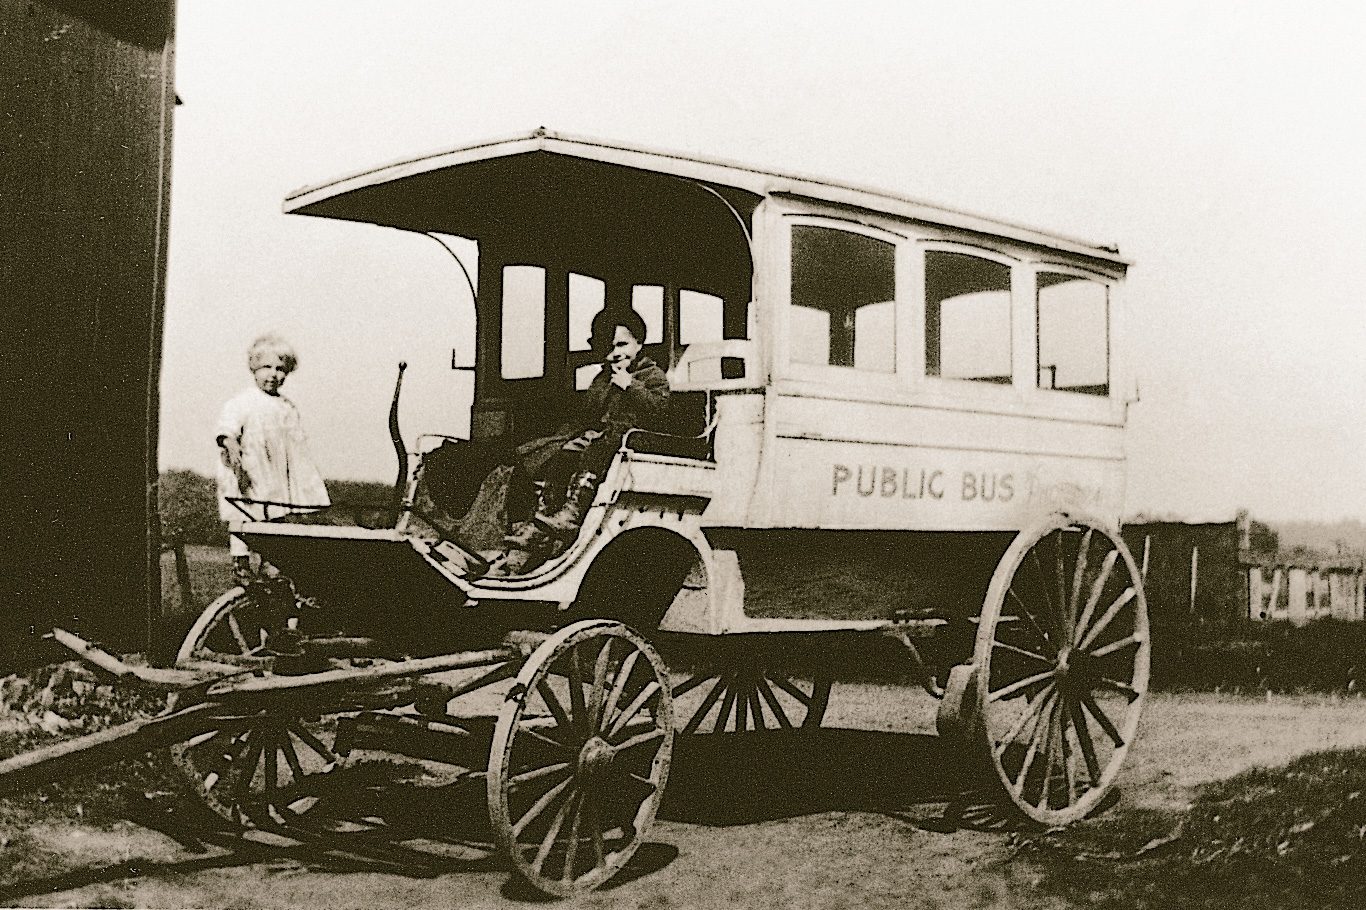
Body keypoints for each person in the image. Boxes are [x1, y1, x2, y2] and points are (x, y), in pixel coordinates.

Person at [489, 308, 670, 576]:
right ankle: (545, 515)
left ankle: (572, 512)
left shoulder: (651, 375)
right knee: (562, 452)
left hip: (631, 439)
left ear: (639, 343)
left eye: (622, 345)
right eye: (609, 349)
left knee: (596, 448)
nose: (616, 354)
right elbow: (589, 414)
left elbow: (659, 407)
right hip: (601, 435)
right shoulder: (602, 378)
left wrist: (630, 385)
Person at [216, 334, 330, 580]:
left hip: (276, 473)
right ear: (254, 369)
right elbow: (227, 427)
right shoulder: (243, 402)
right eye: (266, 367)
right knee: (244, 515)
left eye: (280, 369)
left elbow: (297, 445)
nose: (273, 374)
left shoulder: (287, 407)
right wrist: (231, 444)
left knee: (275, 516)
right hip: (249, 471)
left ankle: (272, 564)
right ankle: (241, 563)